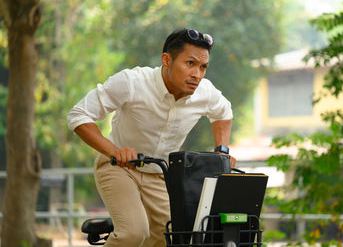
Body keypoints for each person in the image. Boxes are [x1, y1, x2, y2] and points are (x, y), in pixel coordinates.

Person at [67, 28, 235, 247]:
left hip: (159, 175)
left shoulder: (205, 92)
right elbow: (78, 115)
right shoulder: (132, 82)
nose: (197, 74)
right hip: (118, 167)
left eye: (203, 67)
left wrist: (222, 151)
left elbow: (223, 112)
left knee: (173, 239)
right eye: (190, 63)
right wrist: (113, 151)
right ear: (166, 60)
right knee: (134, 233)